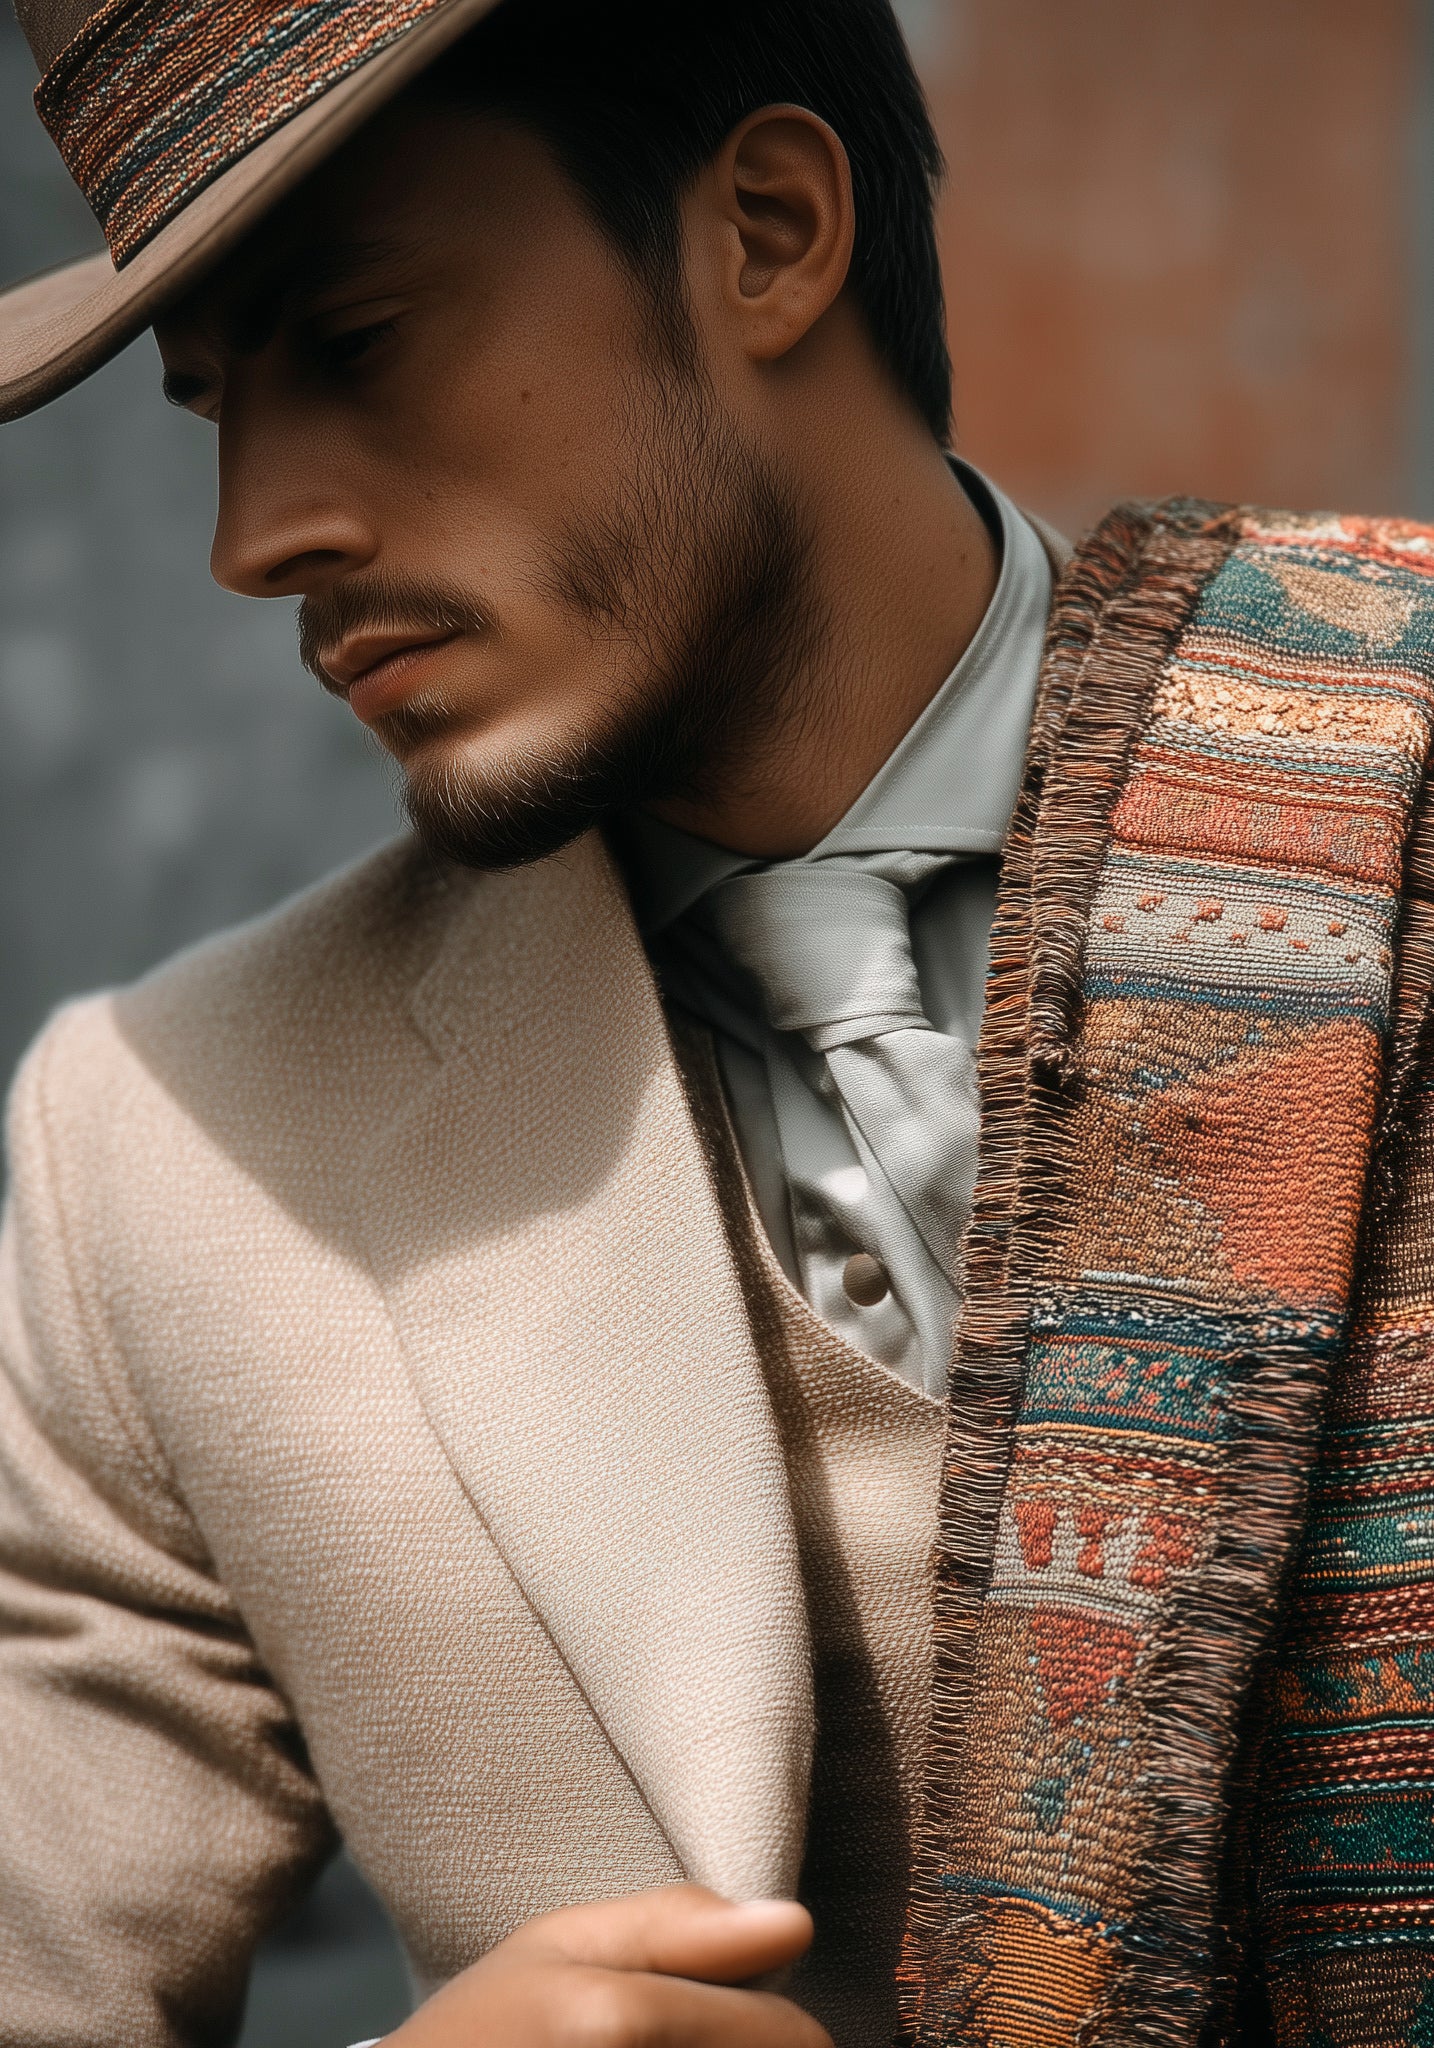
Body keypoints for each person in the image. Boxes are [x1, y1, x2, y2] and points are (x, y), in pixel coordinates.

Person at [2, 2, 1433, 2043]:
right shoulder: (167, 1154)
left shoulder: (1398, 778)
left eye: (360, 346)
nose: (258, 539)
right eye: (218, 406)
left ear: (766, 230)